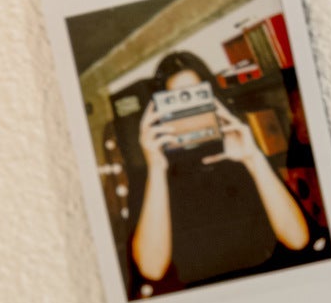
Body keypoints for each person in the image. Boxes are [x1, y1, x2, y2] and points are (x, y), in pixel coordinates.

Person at [131, 50, 308, 288]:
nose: (190, 111)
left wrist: (253, 159)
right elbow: (151, 268)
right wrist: (156, 167)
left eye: (198, 97)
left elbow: (297, 240)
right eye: (177, 100)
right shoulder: (154, 178)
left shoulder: (244, 157)